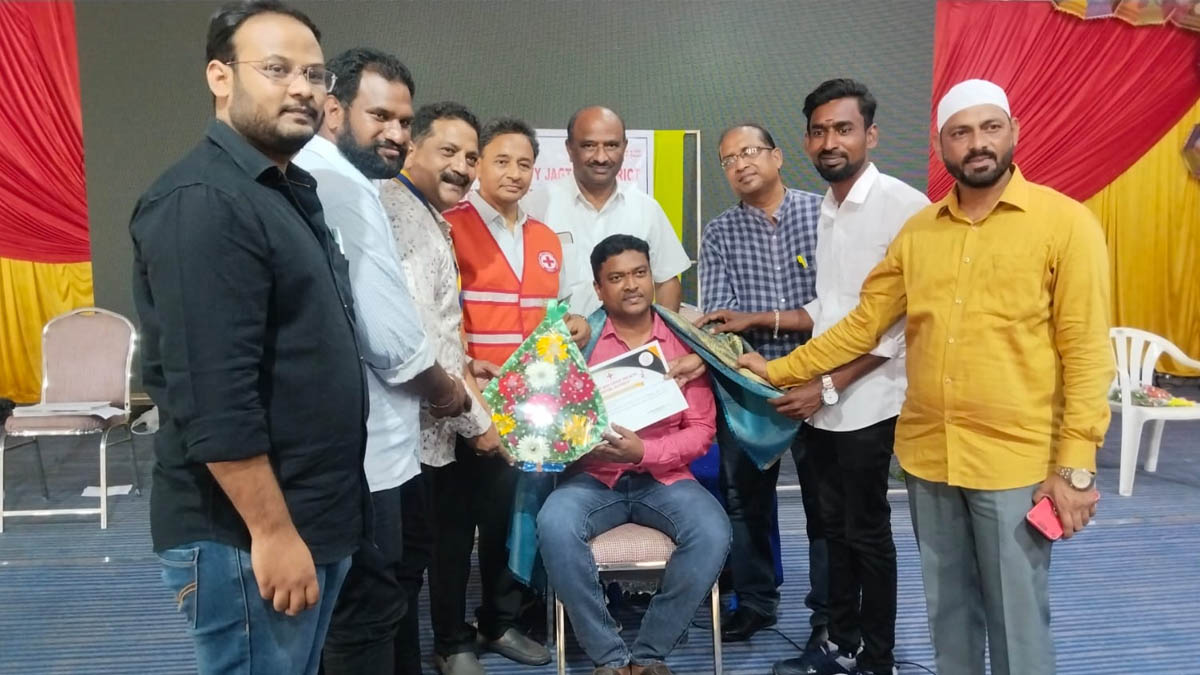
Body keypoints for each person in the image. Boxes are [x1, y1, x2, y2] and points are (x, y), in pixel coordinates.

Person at [740, 79, 1112, 675]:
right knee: (949, 615)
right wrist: (779, 369)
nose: (977, 144)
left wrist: (1075, 467)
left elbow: (1088, 355)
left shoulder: (1065, 225)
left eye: (990, 128)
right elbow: (863, 323)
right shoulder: (921, 232)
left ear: (1014, 132)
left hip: (1013, 461)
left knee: (1016, 621)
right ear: (941, 145)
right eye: (960, 133)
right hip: (930, 458)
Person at [130, 3, 452, 673]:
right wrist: (272, 532)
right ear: (220, 77)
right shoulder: (205, 201)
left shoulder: (282, 188)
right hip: (243, 533)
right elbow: (214, 395)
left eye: (313, 73)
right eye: (276, 69)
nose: (302, 88)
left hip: (311, 511)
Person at [293, 48, 472, 675]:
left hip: (379, 440)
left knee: (384, 597)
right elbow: (390, 334)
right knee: (366, 610)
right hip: (366, 448)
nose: (396, 133)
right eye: (380, 117)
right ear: (333, 110)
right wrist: (449, 393)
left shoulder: (344, 178)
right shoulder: (343, 184)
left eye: (403, 120)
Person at [765, 79, 929, 675]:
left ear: (870, 135)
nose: (830, 141)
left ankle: (877, 660)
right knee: (827, 528)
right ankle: (839, 642)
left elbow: (897, 327)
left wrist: (827, 385)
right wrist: (759, 327)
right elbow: (833, 309)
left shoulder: (905, 209)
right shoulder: (827, 208)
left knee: (866, 533)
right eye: (818, 131)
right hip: (822, 404)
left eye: (843, 128)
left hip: (870, 402)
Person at [537, 234, 731, 675]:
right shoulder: (577, 344)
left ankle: (648, 655)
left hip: (665, 478)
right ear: (598, 288)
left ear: (652, 277)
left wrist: (644, 451)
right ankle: (608, 657)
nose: (631, 285)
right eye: (617, 278)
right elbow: (551, 423)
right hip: (593, 478)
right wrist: (575, 440)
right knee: (553, 523)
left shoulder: (684, 344)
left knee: (713, 531)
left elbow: (701, 432)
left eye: (640, 273)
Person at [375, 102, 504, 675]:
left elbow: (431, 324)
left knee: (409, 562)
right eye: (448, 151)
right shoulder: (400, 216)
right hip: (407, 428)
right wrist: (477, 423)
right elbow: (412, 342)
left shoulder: (426, 214)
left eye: (471, 157)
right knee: (398, 571)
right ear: (412, 148)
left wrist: (467, 363)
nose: (462, 167)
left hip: (426, 424)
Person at [695, 122, 828, 649]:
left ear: (776, 156)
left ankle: (828, 613)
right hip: (746, 388)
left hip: (822, 383)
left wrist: (761, 321)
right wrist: (750, 359)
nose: (740, 164)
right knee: (744, 502)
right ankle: (755, 601)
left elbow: (840, 308)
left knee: (825, 505)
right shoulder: (719, 233)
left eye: (750, 151)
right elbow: (720, 319)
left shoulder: (824, 215)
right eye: (728, 159)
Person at [526, 106, 691, 317]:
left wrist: (662, 334)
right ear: (569, 148)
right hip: (559, 335)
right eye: (589, 146)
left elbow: (666, 282)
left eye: (611, 145)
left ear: (625, 147)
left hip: (629, 338)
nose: (601, 157)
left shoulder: (646, 209)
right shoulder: (536, 207)